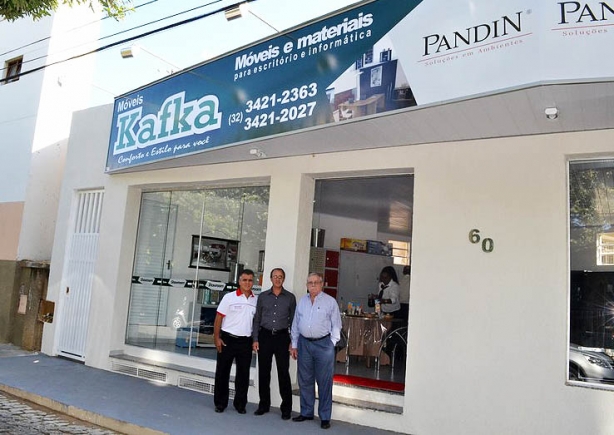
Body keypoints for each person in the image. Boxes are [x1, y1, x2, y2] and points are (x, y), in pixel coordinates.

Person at [290, 272, 342, 430]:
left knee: (324, 382)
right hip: (304, 344)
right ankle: (306, 412)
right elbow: (295, 323)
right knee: (305, 380)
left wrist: (331, 344)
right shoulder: (302, 301)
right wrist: (294, 344)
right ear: (306, 285)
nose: (312, 285)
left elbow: (337, 325)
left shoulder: (330, 302)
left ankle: (325, 417)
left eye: (316, 282)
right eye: (310, 283)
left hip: (323, 345)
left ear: (322, 284)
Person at [252, 267, 297, 420]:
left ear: (283, 279)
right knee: (264, 372)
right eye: (275, 276)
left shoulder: (290, 298)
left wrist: (293, 342)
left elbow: (294, 322)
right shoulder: (263, 297)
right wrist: (255, 339)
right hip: (265, 336)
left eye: (280, 277)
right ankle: (263, 405)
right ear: (270, 279)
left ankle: (286, 408)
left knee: (283, 373)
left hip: (282, 338)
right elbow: (257, 319)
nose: (277, 279)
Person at [213, 269, 258, 414]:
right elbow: (218, 318)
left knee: (243, 375)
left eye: (250, 280)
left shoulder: (255, 300)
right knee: (222, 372)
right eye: (244, 280)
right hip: (227, 340)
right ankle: (220, 403)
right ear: (239, 282)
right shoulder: (229, 297)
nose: (247, 283)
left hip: (245, 342)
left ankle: (240, 404)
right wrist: (216, 338)